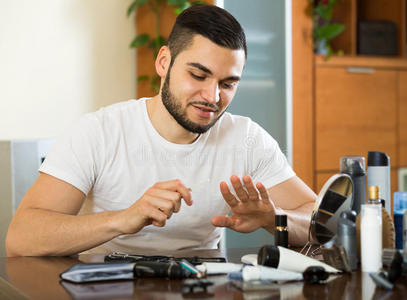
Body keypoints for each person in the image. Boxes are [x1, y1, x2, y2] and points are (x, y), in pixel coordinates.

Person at [6, 4, 316, 256]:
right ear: (163, 62)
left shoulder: (246, 139)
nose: (213, 97)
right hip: (108, 286)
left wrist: (276, 220)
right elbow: (21, 237)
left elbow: (322, 225)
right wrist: (123, 219)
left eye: (227, 84)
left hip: (204, 287)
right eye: (198, 75)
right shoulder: (98, 132)